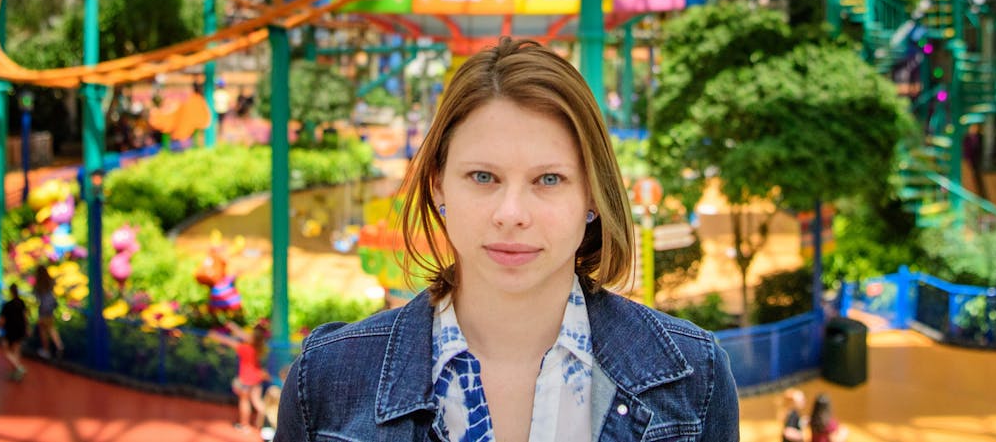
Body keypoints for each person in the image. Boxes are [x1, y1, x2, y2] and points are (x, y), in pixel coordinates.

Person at [273, 38, 738, 441]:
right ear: (438, 186)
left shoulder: (694, 380)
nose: (511, 214)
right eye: (483, 176)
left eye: (549, 180)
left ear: (592, 194)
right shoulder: (327, 382)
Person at [210, 320, 272, 433]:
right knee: (257, 402)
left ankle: (245, 425)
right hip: (256, 378)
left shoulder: (245, 348)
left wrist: (215, 336)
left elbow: (228, 341)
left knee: (244, 402)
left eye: (250, 335)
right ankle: (267, 422)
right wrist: (233, 326)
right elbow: (241, 334)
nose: (246, 335)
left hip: (246, 380)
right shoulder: (258, 348)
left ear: (253, 339)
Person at [0, 285, 30, 381]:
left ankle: (18, 367)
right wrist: (27, 328)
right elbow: (25, 316)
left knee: (6, 349)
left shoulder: (7, 305)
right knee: (16, 349)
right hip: (20, 329)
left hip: (11, 330)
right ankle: (16, 370)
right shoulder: (21, 302)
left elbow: (2, 320)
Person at [33, 266, 64, 359]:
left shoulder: (39, 284)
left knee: (43, 330)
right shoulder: (50, 282)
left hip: (43, 310)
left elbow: (36, 297)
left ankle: (46, 350)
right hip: (50, 309)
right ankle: (59, 346)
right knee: (50, 328)